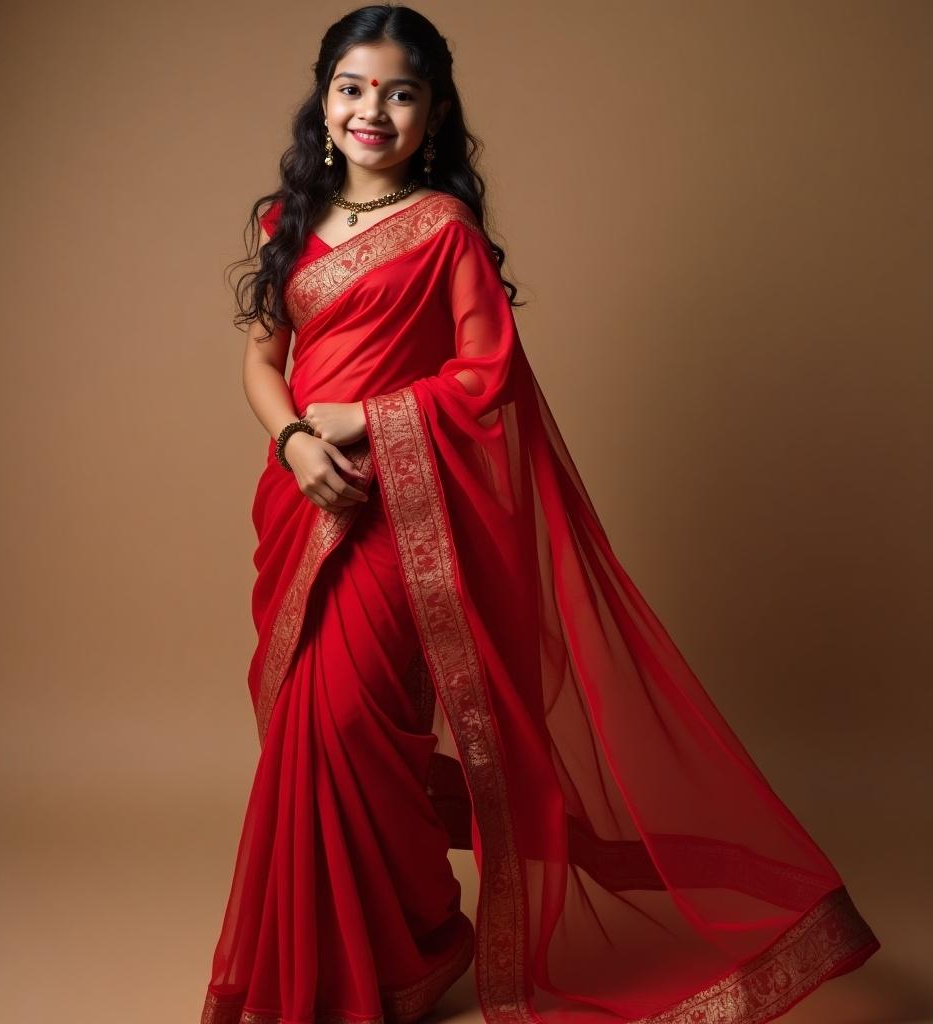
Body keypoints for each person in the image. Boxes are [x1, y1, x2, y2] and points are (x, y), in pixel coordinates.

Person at [200, 6, 880, 1024]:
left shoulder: (443, 232)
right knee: (310, 732)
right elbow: (260, 361)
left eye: (398, 91)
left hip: (394, 514)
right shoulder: (282, 223)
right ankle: (399, 952)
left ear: (432, 114)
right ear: (324, 98)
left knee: (351, 725)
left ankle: (406, 944)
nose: (370, 109)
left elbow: (486, 377)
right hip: (301, 501)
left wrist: (368, 421)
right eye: (352, 86)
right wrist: (298, 440)